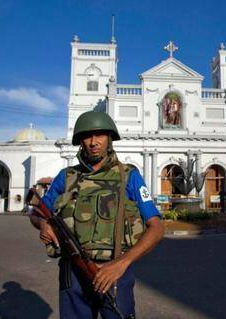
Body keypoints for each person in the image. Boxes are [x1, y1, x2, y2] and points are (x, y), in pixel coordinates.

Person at [29, 111, 164, 319]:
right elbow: (37, 213)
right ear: (80, 141)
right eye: (87, 136)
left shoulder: (129, 176)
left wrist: (121, 264)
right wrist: (43, 224)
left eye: (99, 135)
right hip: (73, 270)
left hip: (115, 271)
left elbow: (156, 227)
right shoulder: (66, 177)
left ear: (109, 138)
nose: (93, 142)